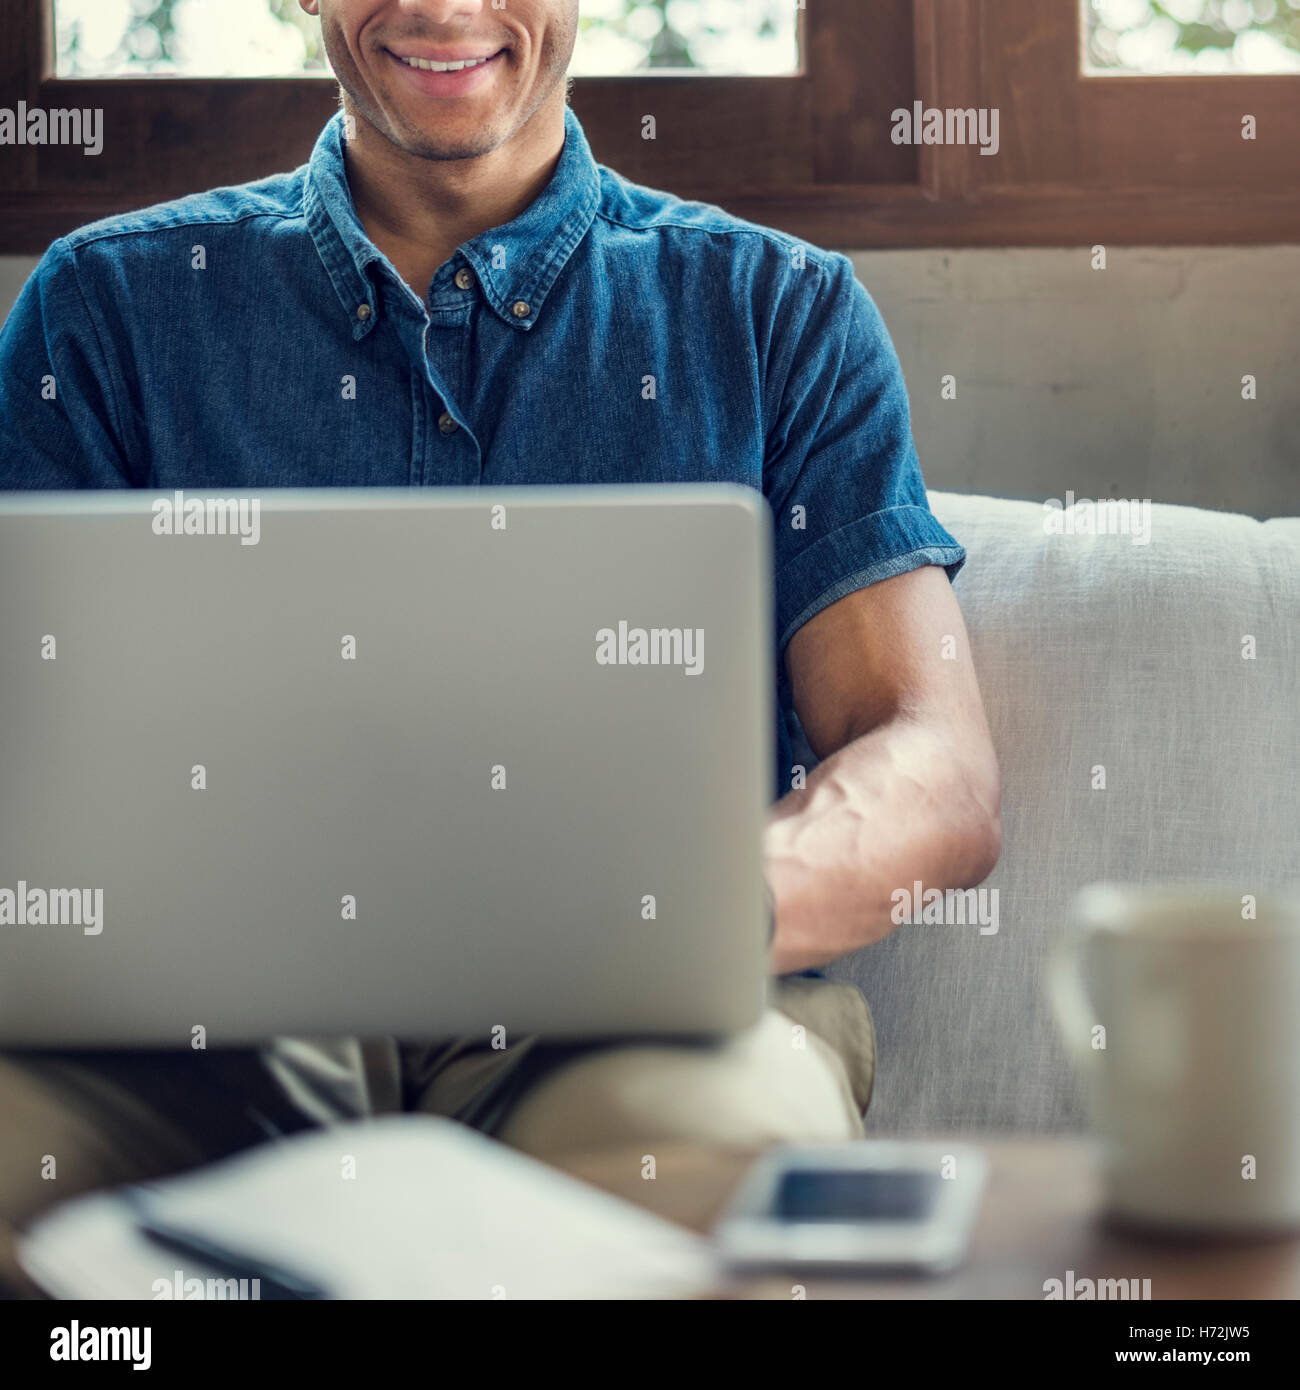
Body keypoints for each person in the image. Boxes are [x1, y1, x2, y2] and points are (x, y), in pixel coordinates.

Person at [0, 0, 1000, 1294]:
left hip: (634, 1023)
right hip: (198, 1035)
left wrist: (689, 907)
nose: (440, 6)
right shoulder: (107, 313)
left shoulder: (780, 313)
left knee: (716, 1191)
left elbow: (934, 763)